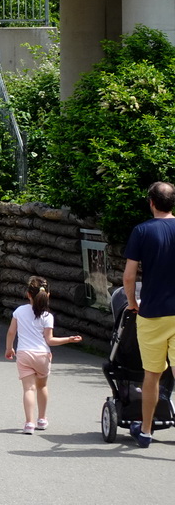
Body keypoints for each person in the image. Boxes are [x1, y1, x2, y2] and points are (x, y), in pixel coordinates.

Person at [122, 180, 175, 448]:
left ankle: (145, 431)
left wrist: (132, 303)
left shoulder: (141, 231)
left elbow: (129, 276)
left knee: (152, 374)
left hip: (153, 313)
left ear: (151, 202)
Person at [5, 275, 83, 434]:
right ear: (47, 295)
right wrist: (68, 339)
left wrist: (9, 348)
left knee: (28, 389)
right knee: (42, 386)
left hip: (24, 354)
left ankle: (28, 423)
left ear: (28, 295)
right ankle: (41, 419)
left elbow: (11, 332)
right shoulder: (48, 317)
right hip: (42, 355)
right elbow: (50, 340)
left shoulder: (19, 311)